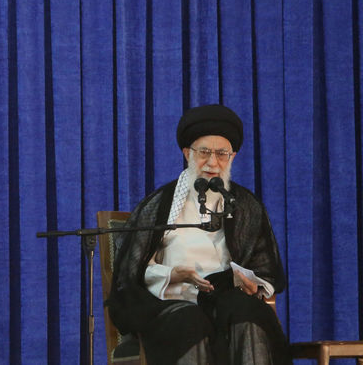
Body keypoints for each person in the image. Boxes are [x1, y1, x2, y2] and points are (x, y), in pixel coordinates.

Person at [106, 104, 291, 364]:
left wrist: (255, 286)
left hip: (226, 298)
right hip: (174, 301)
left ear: (233, 156)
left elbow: (265, 269)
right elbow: (132, 273)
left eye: (222, 154)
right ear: (187, 153)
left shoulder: (246, 205)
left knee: (248, 312)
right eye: (204, 152)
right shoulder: (160, 204)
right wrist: (174, 273)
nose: (212, 162)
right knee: (189, 321)